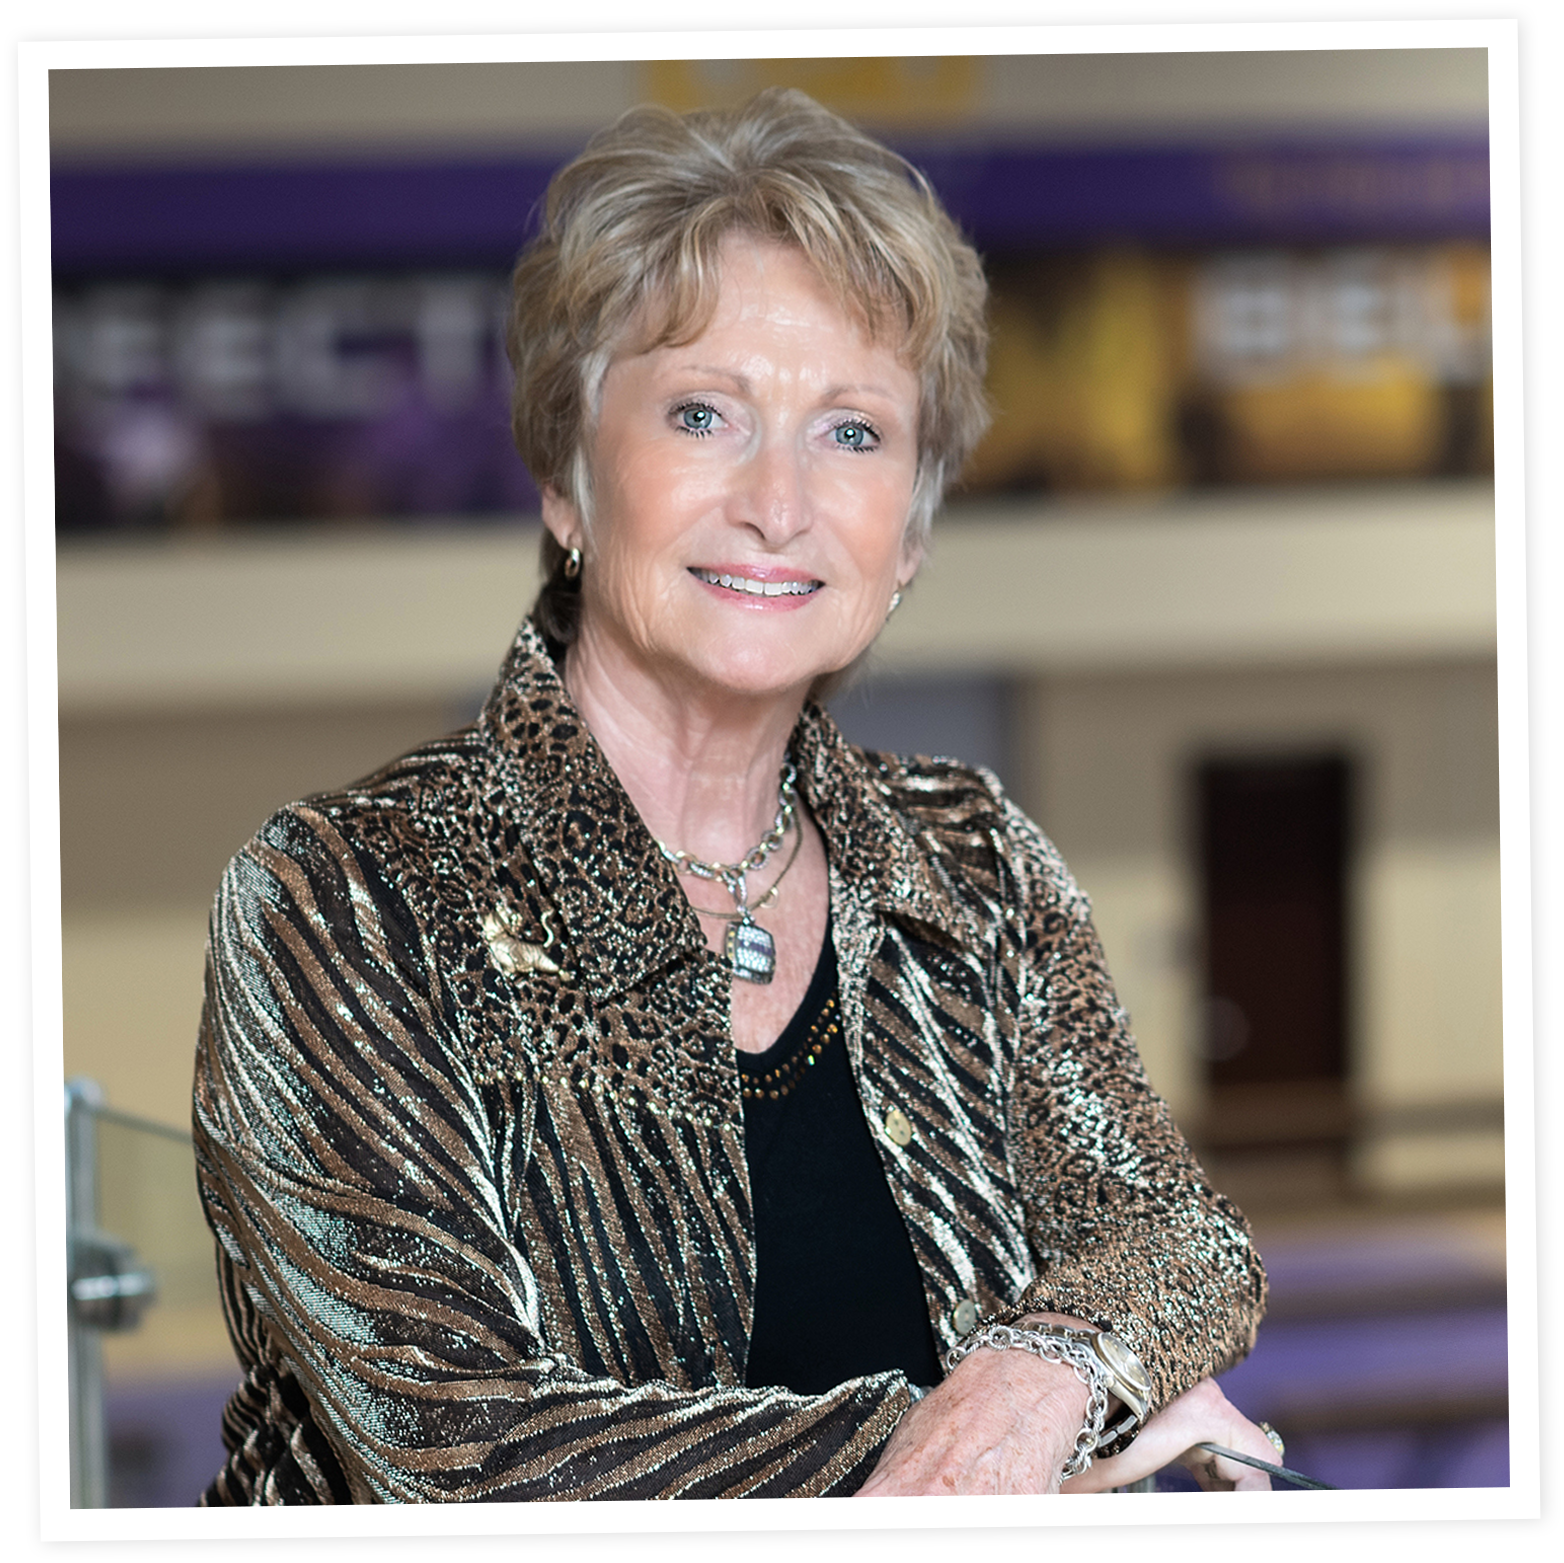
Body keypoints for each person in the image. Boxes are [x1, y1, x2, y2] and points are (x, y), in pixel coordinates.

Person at [193, 88, 1278, 1504]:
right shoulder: (345, 899)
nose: (781, 501)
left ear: (910, 536)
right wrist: (987, 1457)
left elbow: (1182, 1242)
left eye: (853, 434)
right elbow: (465, 1454)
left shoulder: (972, 859)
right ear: (569, 483)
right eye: (703, 413)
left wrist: (1052, 1368)